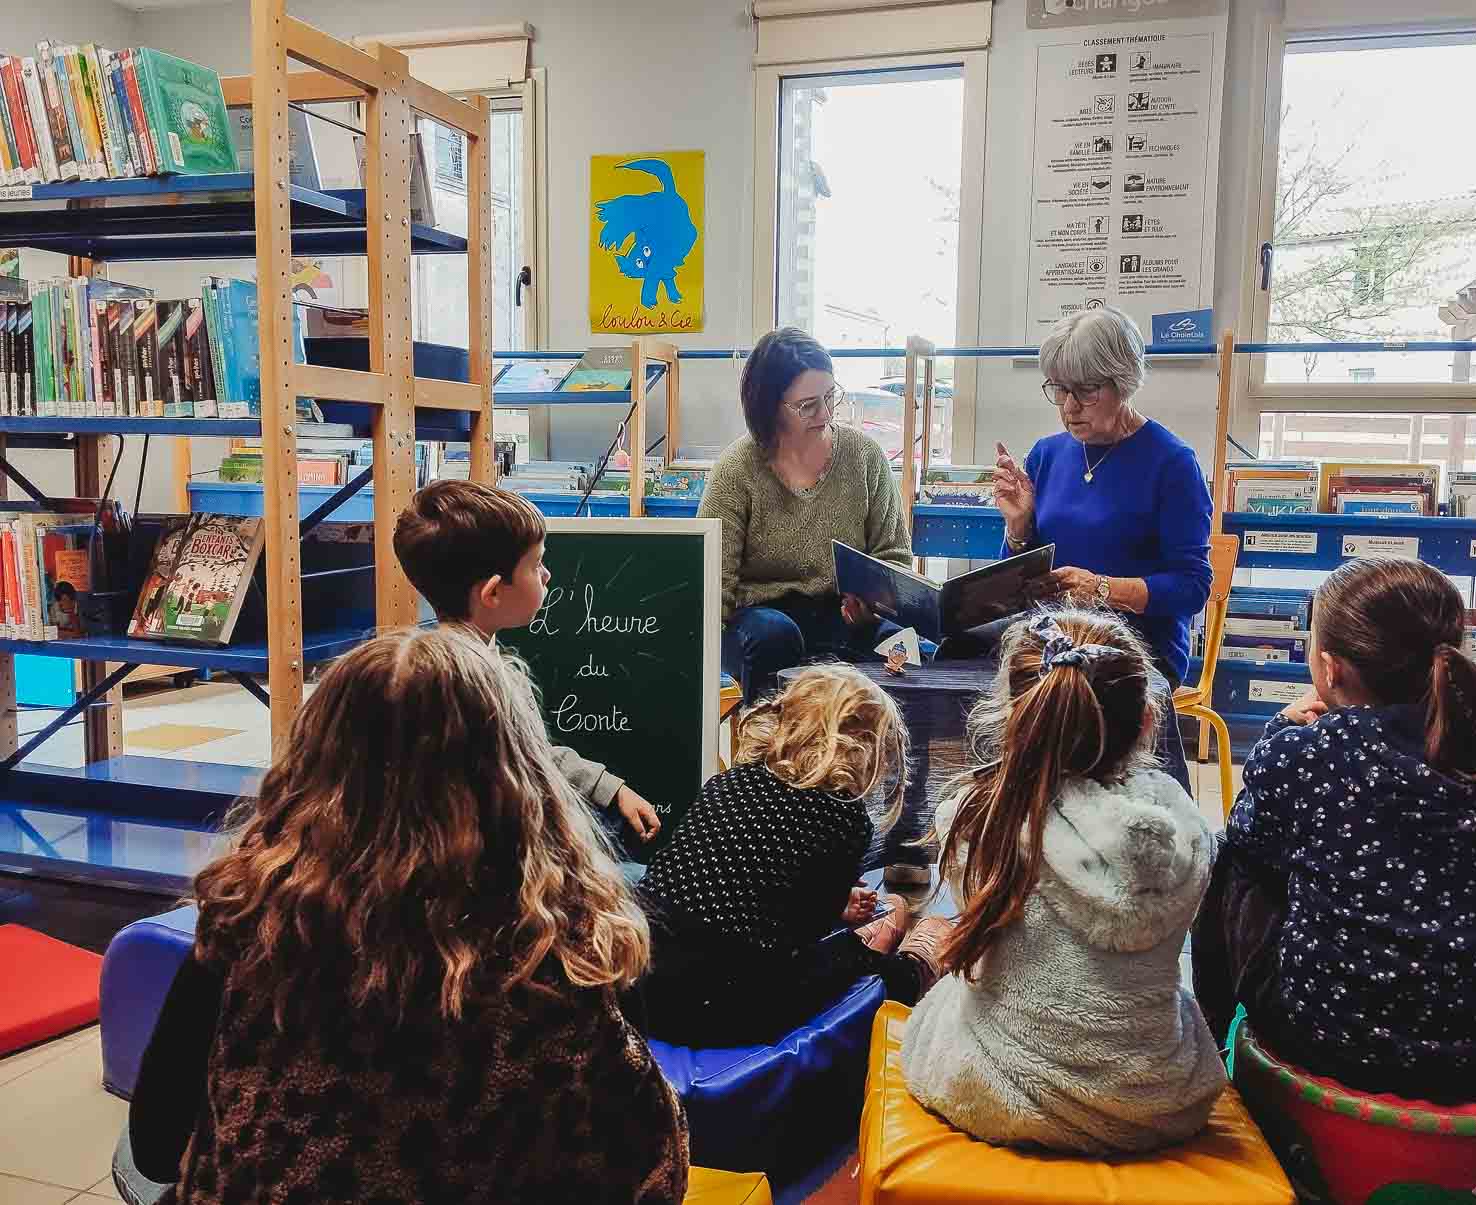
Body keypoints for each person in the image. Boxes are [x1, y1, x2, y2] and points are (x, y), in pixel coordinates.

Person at [120, 629, 688, 1204]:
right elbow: (646, 1164)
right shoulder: (573, 947)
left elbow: (154, 1145)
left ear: (313, 769)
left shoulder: (249, 928)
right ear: (523, 781)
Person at [1191, 557, 1476, 1101]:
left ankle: (1215, 1048)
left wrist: (1275, 735)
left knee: (1234, 855)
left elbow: (1255, 842)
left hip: (1335, 1039)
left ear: (1330, 669)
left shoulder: (1302, 752)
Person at [900, 608, 1223, 1155]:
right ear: (1147, 723)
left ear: (1013, 715)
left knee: (938, 987)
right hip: (1159, 1102)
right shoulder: (1186, 830)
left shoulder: (978, 814)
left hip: (999, 1089)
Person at [631, 664, 952, 1047]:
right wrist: (836, 908)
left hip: (642, 982)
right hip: (721, 1006)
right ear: (865, 749)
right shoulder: (842, 816)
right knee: (857, 958)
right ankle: (911, 969)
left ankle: (884, 934)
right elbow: (805, 933)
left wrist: (828, 901)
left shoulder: (731, 780)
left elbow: (744, 877)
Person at [991, 306, 1212, 793]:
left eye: (1086, 391)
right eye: (1059, 389)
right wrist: (1018, 526)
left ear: (1124, 381)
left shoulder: (1172, 463)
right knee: (959, 666)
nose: (1069, 406)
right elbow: (1015, 574)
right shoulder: (1047, 454)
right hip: (1056, 635)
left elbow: (1192, 588)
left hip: (1138, 646)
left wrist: (1103, 590)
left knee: (1061, 695)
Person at [395, 479, 662, 844]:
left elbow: (536, 754)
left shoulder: (474, 654)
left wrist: (606, 786)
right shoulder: (471, 688)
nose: (547, 574)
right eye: (536, 565)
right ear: (492, 592)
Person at [699, 327, 912, 705]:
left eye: (830, 397)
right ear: (770, 407)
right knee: (775, 635)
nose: (826, 414)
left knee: (906, 645)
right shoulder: (736, 470)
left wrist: (873, 605)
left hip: (841, 615)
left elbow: (894, 557)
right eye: (808, 406)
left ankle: (889, 757)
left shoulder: (864, 457)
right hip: (758, 622)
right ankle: (771, 756)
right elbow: (711, 586)